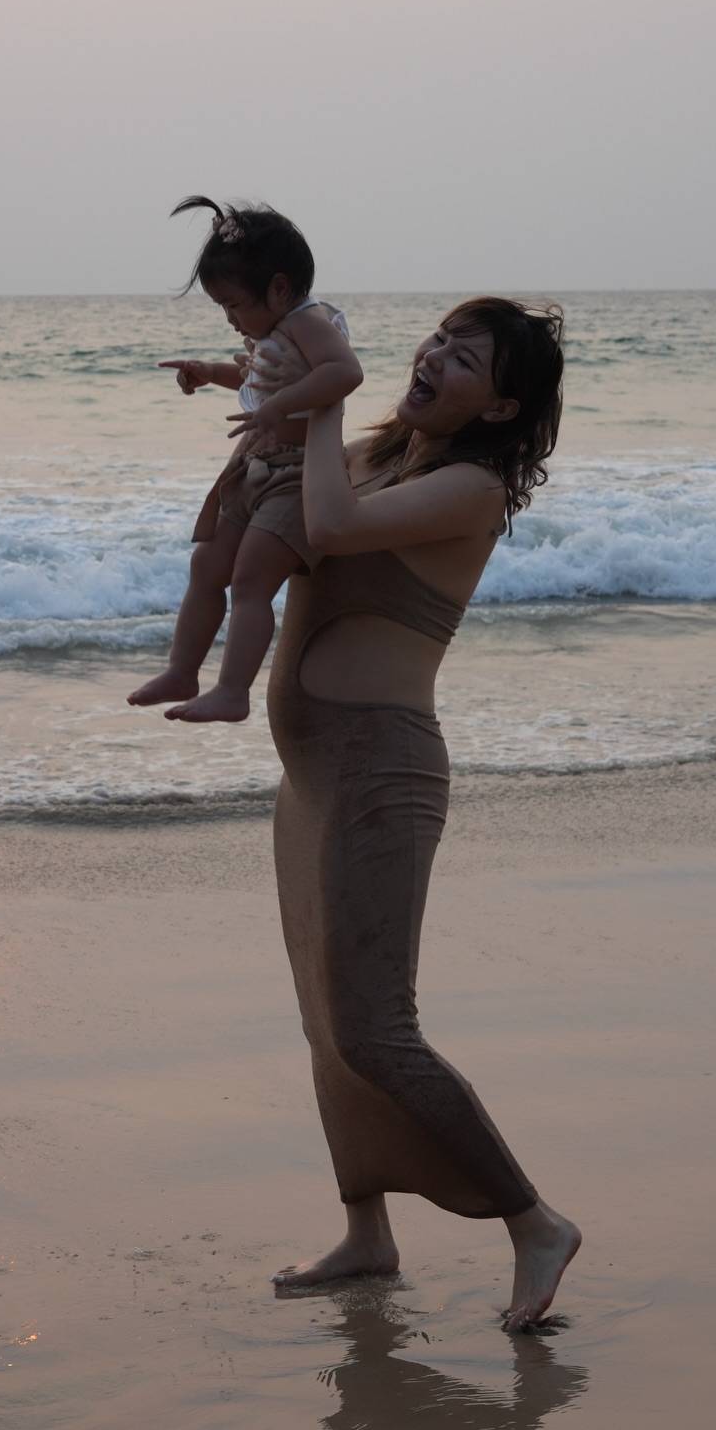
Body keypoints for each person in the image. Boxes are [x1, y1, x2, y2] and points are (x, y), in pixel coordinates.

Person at [267, 296, 580, 1330]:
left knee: (376, 1028)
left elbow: (330, 528)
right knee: (326, 1023)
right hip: (311, 775)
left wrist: (326, 395)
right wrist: (267, 379)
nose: (435, 355)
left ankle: (535, 1221)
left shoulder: (470, 489)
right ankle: (367, 1232)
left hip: (380, 774)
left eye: (465, 356)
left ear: (502, 405)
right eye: (438, 338)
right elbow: (285, 496)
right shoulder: (379, 453)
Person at [128, 197, 362, 723]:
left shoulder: (310, 321)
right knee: (207, 566)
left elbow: (346, 372)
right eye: (223, 308)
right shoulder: (275, 332)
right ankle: (182, 670)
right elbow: (259, 377)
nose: (231, 319)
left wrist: (278, 406)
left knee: (252, 577)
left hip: (299, 475)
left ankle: (233, 691)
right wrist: (211, 371)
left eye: (233, 305)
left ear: (279, 288)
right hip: (254, 465)